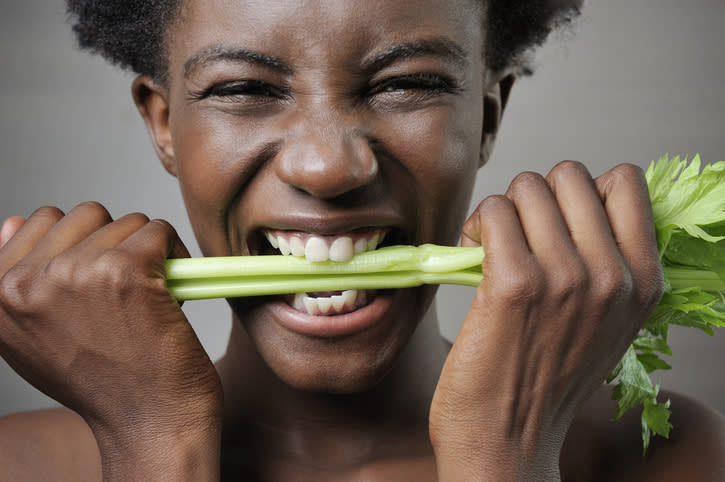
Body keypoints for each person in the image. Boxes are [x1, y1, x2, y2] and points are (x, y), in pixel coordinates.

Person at [0, 0, 723, 480]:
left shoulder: (667, 457)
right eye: (240, 89)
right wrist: (152, 440)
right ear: (164, 125)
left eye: (406, 83)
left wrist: (502, 454)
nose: (326, 165)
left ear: (487, 117)